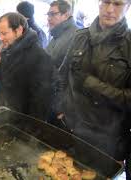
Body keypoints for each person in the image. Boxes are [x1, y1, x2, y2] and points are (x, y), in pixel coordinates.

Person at [55, 0, 131, 163]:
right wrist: (61, 108)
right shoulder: (80, 36)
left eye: (117, 4)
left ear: (128, 7)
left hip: (106, 139)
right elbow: (62, 76)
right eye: (106, 2)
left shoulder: (128, 45)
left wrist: (91, 83)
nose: (109, 9)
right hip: (71, 128)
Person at [0, 12, 52, 120]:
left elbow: (42, 99)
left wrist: (31, 130)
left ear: (19, 30)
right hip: (4, 114)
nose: (1, 38)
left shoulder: (39, 56)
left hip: (23, 121)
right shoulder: (8, 50)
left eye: (4, 33)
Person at [45, 0, 78, 69]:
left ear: (66, 15)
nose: (48, 18)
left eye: (53, 14)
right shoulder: (56, 33)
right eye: (48, 15)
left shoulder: (76, 35)